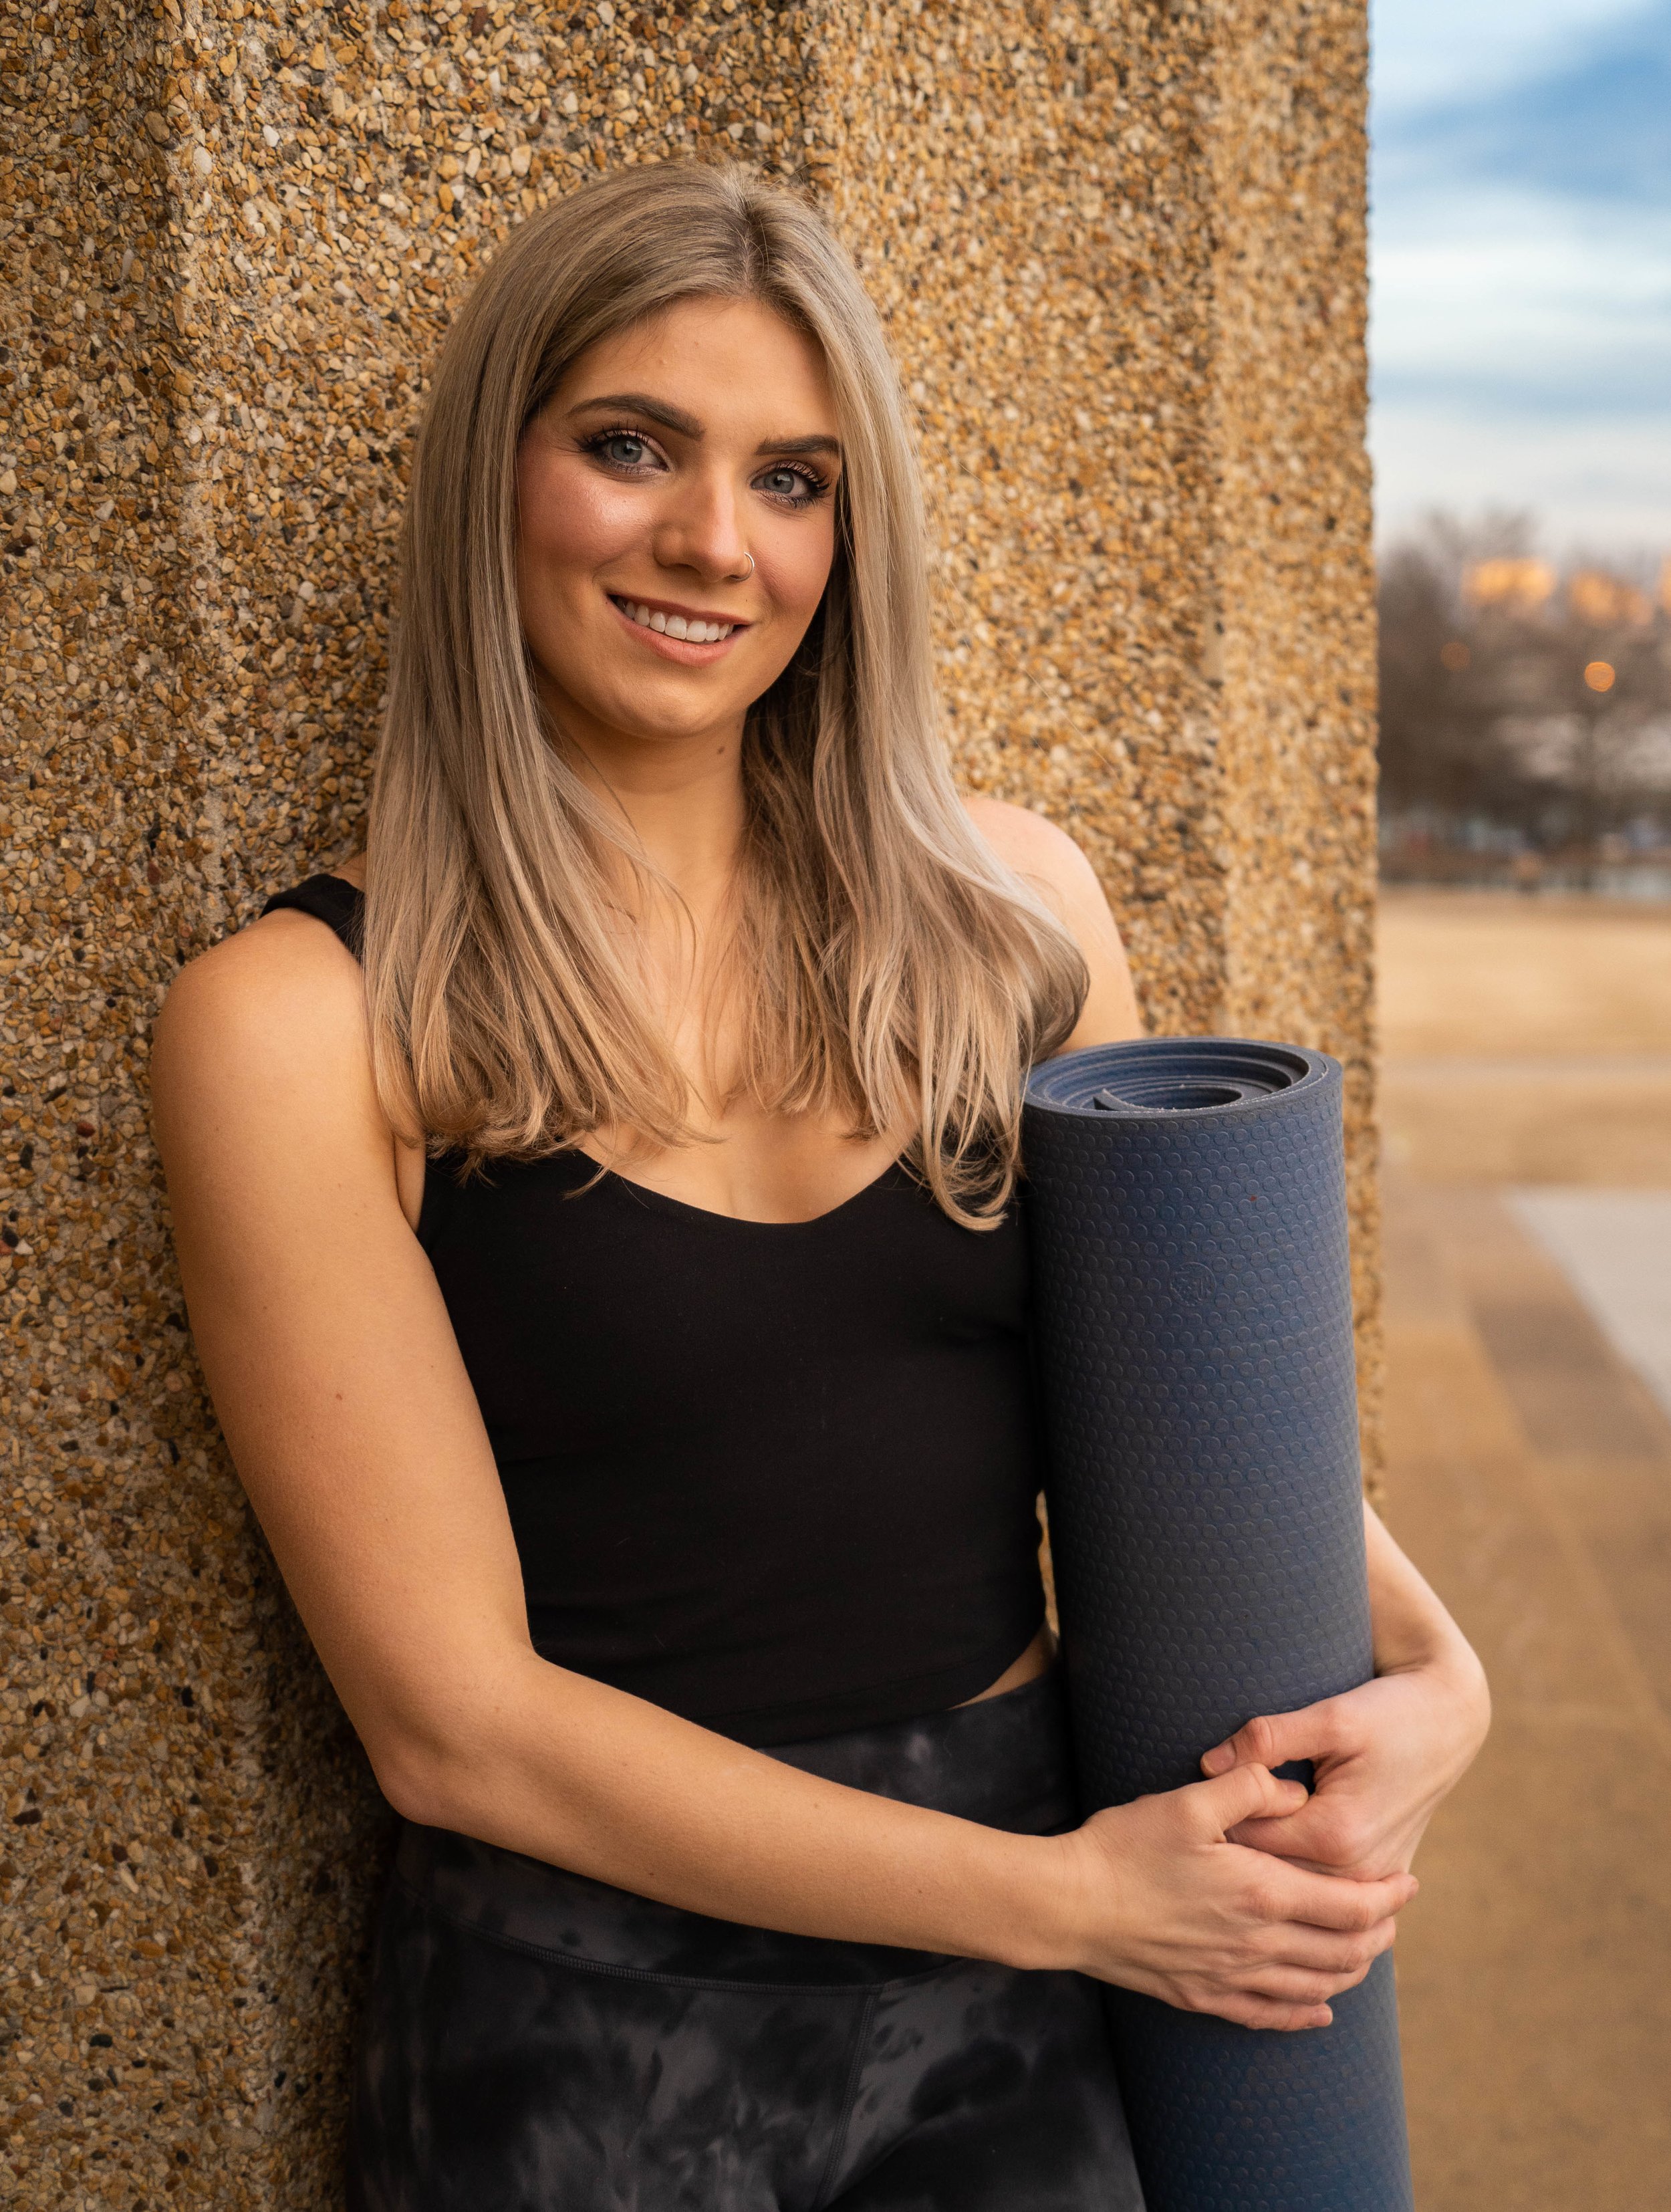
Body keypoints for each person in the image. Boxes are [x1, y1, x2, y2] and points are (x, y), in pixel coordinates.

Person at [150, 162, 1489, 2210]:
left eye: (793, 480)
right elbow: (453, 1730)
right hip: (578, 2032)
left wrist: (1435, 1682)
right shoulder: (297, 1019)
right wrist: (1067, 1903)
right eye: (629, 448)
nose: (712, 541)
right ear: (492, 479)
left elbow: (1193, 1444)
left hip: (1028, 2027)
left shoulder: (1013, 924)